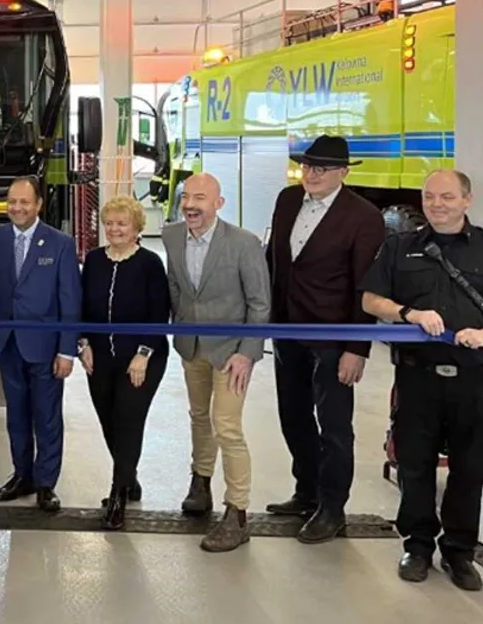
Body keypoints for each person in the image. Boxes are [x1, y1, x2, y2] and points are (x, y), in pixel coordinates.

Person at [361, 169, 483, 592]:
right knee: (415, 465)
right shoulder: (399, 247)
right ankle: (416, 545)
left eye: (447, 197)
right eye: (430, 196)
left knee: (471, 468)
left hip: (474, 379)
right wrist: (407, 314)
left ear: (466, 200)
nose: (437, 204)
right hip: (417, 377)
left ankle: (460, 552)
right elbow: (370, 299)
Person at [263, 136, 386, 543]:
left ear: (343, 173)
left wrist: (357, 347)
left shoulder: (363, 217)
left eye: (321, 169)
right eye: (307, 166)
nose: (310, 175)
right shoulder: (286, 200)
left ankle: (333, 508)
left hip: (335, 337)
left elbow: (363, 286)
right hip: (286, 330)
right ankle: (307, 491)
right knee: (292, 416)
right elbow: (274, 261)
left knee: (334, 426)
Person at [162, 172, 270, 553]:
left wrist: (247, 352)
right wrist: (180, 325)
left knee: (227, 426)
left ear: (218, 204)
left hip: (231, 352)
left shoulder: (244, 243)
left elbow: (260, 303)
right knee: (198, 416)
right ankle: (201, 482)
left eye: (201, 198)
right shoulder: (172, 235)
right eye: (187, 197)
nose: (191, 205)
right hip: (191, 345)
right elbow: (176, 287)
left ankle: (237, 513)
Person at [0, 177, 79, 514]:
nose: (17, 208)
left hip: (46, 348)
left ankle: (46, 484)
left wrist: (67, 350)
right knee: (16, 416)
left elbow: (69, 299)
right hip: (7, 345)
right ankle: (22, 475)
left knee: (47, 417)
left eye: (24, 202)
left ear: (39, 205)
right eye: (12, 201)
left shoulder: (60, 243)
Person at [78, 195, 171, 530]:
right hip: (99, 357)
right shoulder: (93, 261)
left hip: (141, 359)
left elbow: (160, 313)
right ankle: (129, 477)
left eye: (122, 224)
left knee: (128, 421)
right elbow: (82, 309)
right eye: (110, 223)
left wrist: (143, 355)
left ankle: (118, 495)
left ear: (136, 228)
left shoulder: (149, 263)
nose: (115, 229)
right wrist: (83, 343)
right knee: (108, 421)